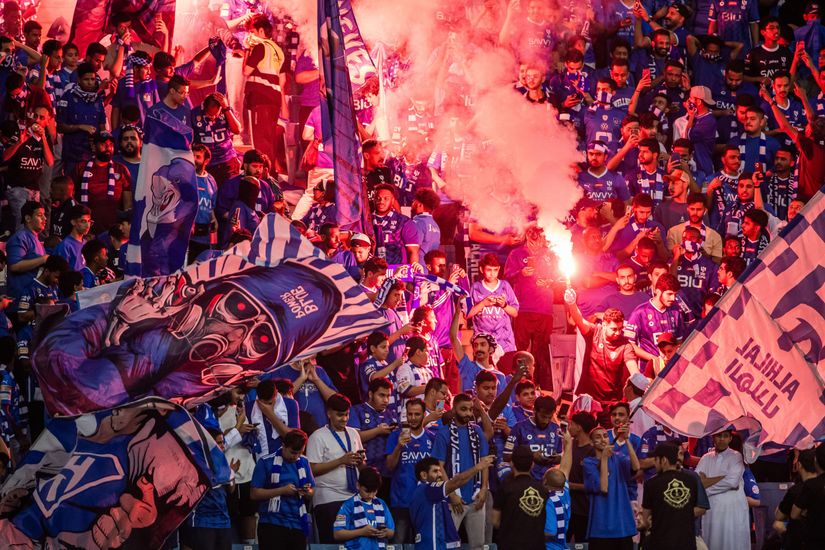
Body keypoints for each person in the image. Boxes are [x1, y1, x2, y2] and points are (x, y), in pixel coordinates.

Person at [431, 393, 490, 549]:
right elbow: (439, 467)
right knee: (448, 545)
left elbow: (484, 462)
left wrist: (484, 489)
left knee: (478, 545)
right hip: (454, 499)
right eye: (463, 409)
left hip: (476, 496)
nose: (468, 414)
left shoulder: (477, 431)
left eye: (470, 409)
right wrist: (451, 493)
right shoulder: (444, 433)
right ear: (454, 410)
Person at [564, 289, 639, 410]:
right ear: (604, 324)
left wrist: (641, 382)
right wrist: (571, 303)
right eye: (614, 329)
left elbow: (634, 371)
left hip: (612, 403)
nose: (618, 333)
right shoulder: (593, 332)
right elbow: (578, 319)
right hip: (588, 400)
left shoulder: (625, 345)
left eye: (620, 329)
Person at [306, 393, 365, 544]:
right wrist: (340, 461)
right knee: (332, 543)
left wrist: (359, 462)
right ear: (329, 413)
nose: (344, 419)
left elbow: (362, 467)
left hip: (354, 497)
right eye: (340, 415)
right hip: (328, 499)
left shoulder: (353, 433)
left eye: (346, 415)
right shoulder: (317, 437)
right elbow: (311, 469)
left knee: (354, 543)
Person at [410, 454, 495, 550]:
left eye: (440, 471)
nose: (440, 474)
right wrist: (477, 468)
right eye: (435, 471)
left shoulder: (426, 492)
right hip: (432, 544)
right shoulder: (427, 489)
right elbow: (456, 482)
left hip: (436, 543)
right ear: (424, 475)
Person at [250, 429, 315, 549]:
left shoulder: (304, 462)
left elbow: (312, 491)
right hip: (272, 522)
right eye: (292, 452)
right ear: (283, 445)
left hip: (297, 523)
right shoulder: (265, 462)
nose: (295, 456)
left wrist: (306, 491)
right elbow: (254, 493)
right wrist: (281, 491)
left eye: (299, 453)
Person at [385, 398, 436, 543]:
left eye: (417, 414)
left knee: (424, 543)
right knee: (398, 543)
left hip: (425, 501)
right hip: (401, 501)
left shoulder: (431, 438)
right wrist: (398, 447)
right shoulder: (396, 436)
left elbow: (438, 470)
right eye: (410, 414)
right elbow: (389, 466)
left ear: (424, 415)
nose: (413, 418)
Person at [640, 442, 707, 549]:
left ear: (664, 460)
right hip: (687, 542)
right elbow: (698, 507)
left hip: (661, 542)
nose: (655, 464)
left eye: (656, 460)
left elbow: (645, 518)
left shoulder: (651, 484)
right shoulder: (691, 480)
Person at [583, 425, 638, 548]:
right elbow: (604, 487)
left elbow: (636, 467)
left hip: (623, 527)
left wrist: (627, 439)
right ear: (591, 443)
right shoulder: (588, 463)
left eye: (605, 436)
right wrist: (604, 459)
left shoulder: (618, 457)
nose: (603, 439)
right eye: (598, 437)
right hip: (601, 530)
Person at [695, 429, 750, 550]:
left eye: (725, 436)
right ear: (713, 438)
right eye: (719, 436)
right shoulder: (706, 458)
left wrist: (707, 485)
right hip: (712, 507)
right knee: (712, 541)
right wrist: (722, 478)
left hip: (732, 507)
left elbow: (732, 481)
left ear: (730, 439)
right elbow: (697, 482)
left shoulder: (736, 456)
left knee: (733, 541)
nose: (722, 439)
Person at [3, 105, 54, 230]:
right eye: (35, 116)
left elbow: (50, 162)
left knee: (32, 225)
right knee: (21, 222)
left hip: (34, 190)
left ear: (47, 121)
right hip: (17, 188)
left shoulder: (45, 139)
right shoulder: (20, 133)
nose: (37, 120)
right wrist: (20, 142)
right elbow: (4, 157)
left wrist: (43, 139)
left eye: (41, 117)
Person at [488, 445, 548, 550]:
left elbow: (495, 521)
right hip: (536, 545)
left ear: (512, 464)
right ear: (532, 465)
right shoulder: (542, 489)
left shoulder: (504, 488)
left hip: (509, 544)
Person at [348, 378, 397, 498]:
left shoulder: (391, 414)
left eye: (388, 396)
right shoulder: (357, 410)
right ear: (370, 394)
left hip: (387, 473)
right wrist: (378, 430)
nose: (385, 400)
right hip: (365, 471)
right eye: (381, 395)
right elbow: (353, 437)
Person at [467, 253, 519, 362]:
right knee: (484, 376)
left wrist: (504, 305)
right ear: (481, 269)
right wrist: (483, 304)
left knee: (506, 375)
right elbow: (467, 314)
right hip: (482, 342)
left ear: (499, 269)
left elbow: (515, 313)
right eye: (489, 270)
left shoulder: (505, 286)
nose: (492, 274)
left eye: (495, 270)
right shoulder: (475, 287)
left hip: (505, 343)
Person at [450, 299, 506, 395]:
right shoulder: (468, 366)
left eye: (483, 344)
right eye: (475, 345)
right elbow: (453, 338)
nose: (478, 348)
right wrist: (458, 312)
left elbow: (504, 405)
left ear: (491, 349)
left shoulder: (500, 377)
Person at [333, 467, 395, 548]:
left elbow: (391, 532)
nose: (371, 495)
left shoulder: (382, 504)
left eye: (374, 491)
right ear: (358, 485)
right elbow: (337, 534)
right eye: (367, 491)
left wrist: (385, 533)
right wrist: (361, 532)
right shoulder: (348, 505)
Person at [7, 201, 48, 300]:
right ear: (28, 218)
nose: (44, 218)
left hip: (33, 297)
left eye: (44, 215)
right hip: (20, 298)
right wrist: (43, 259)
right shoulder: (20, 237)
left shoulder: (36, 239)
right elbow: (14, 266)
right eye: (40, 215)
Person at [53, 204, 91, 271]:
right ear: (73, 222)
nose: (88, 225)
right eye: (83, 221)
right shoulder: (65, 246)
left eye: (89, 221)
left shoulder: (86, 243)